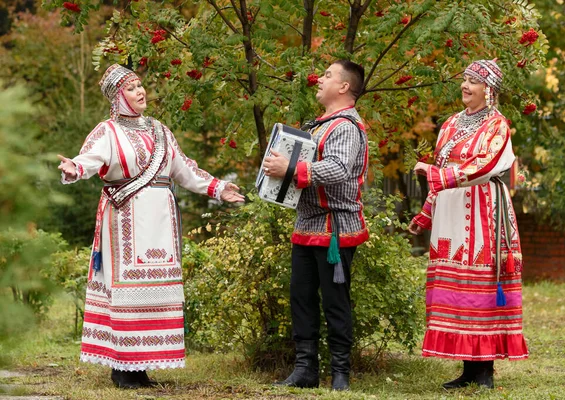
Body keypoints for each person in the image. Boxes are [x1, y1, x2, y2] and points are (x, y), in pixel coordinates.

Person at [58, 64, 244, 389]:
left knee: (156, 291)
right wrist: (74, 168)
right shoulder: (107, 132)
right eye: (131, 88)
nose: (140, 91)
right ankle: (123, 367)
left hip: (161, 224)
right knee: (128, 291)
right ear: (118, 97)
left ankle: (141, 365)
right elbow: (87, 160)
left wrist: (217, 188)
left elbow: (183, 169)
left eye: (140, 85)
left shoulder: (160, 130)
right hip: (127, 220)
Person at [408, 59, 528, 389]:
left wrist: (435, 174)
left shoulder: (497, 126)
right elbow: (441, 170)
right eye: (464, 78)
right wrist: (425, 215)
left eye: (473, 81)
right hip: (451, 211)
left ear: (488, 90)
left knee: (482, 286)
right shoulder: (448, 124)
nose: (465, 85)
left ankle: (484, 372)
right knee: (460, 291)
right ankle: (468, 370)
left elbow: (483, 166)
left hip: (484, 211)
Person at [263, 60, 369, 391]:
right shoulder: (320, 125)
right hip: (307, 225)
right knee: (302, 298)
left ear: (344, 87)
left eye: (327, 75)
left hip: (337, 229)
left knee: (335, 302)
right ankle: (305, 370)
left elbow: (337, 169)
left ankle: (340, 375)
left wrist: (291, 169)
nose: (319, 80)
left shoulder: (347, 127)